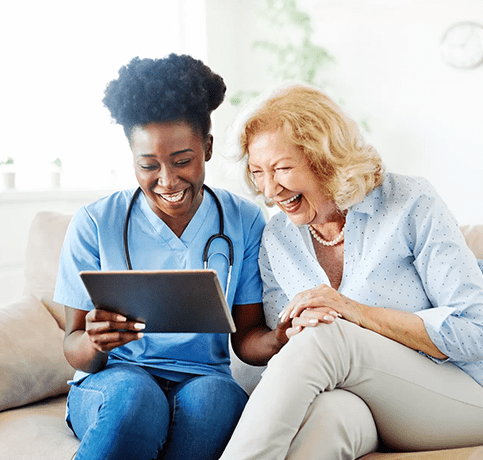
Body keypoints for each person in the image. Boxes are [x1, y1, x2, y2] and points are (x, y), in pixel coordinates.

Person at [220, 84, 483, 460]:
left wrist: (355, 313)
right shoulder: (278, 236)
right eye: (257, 171)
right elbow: (291, 352)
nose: (268, 189)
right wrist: (287, 333)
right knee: (328, 417)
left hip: (463, 395)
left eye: (282, 169)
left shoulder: (409, 202)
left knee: (328, 334)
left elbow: (476, 330)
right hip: (366, 405)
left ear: (325, 158)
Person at [53, 54, 287, 460]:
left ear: (207, 148)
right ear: (132, 158)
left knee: (219, 400)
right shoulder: (95, 222)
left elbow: (246, 339)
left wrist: (280, 338)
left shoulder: (244, 220)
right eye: (148, 165)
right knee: (136, 396)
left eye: (182, 161)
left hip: (203, 378)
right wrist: (96, 343)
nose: (167, 181)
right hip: (113, 380)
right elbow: (74, 346)